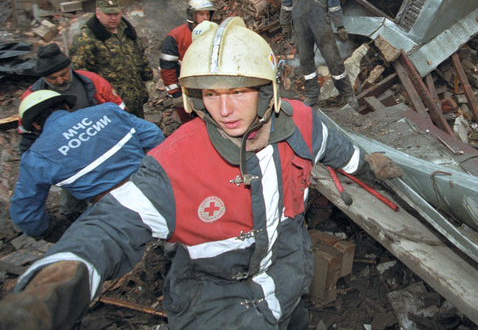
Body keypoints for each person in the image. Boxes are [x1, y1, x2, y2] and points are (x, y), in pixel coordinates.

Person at [0, 17, 401, 329]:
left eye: (237, 92)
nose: (223, 110)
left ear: (267, 91)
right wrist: (49, 292)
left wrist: (370, 165)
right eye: (211, 94)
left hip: (290, 281)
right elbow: (107, 230)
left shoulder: (304, 123)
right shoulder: (174, 164)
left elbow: (341, 151)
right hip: (215, 305)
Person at [10, 91, 165, 239]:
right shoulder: (108, 110)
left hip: (111, 213)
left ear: (36, 126)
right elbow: (154, 135)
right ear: (66, 106)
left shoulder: (36, 156)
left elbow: (25, 215)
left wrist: (49, 231)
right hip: (154, 187)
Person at [280, 0, 357, 110]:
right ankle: (312, 96)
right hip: (300, 22)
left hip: (320, 21)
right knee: (306, 61)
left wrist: (339, 24)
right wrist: (285, 24)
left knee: (333, 58)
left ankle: (347, 95)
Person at [18, 43, 125, 154]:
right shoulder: (30, 98)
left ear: (69, 68)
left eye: (63, 74)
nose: (60, 81)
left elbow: (120, 113)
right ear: (43, 77)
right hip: (62, 152)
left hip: (102, 142)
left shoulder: (93, 81)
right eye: (52, 78)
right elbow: (27, 137)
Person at [71, 0, 154, 119]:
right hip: (111, 103)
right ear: (98, 13)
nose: (114, 18)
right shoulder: (86, 38)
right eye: (108, 14)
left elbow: (139, 55)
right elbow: (81, 74)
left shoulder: (127, 30)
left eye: (116, 13)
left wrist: (148, 78)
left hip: (135, 97)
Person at [160, 0, 216, 124]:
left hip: (208, 86)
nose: (205, 18)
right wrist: (175, 93)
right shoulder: (176, 36)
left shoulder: (213, 31)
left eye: (207, 14)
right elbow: (167, 67)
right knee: (191, 122)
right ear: (192, 15)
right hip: (186, 89)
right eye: (201, 14)